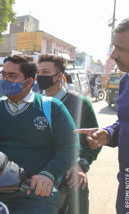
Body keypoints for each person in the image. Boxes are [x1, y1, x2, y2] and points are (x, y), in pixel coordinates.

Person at [0, 55, 78, 214]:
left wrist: (48, 174)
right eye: (3, 75)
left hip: (37, 193)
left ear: (29, 82)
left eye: (12, 76)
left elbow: (70, 147)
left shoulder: (51, 107)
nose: (5, 80)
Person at [74, 18, 129, 214]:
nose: (113, 55)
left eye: (119, 48)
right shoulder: (125, 81)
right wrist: (108, 133)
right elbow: (124, 123)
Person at [37, 54, 101, 214]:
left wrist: (81, 164)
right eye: (38, 72)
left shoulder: (80, 103)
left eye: (45, 72)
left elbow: (94, 140)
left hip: (70, 173)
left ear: (59, 76)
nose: (40, 76)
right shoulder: (34, 103)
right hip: (40, 171)